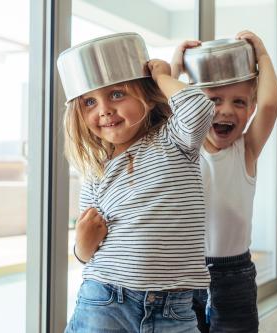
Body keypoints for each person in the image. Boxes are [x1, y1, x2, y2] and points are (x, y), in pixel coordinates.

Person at [59, 34, 215, 333]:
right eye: (90, 101)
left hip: (175, 306)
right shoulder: (96, 170)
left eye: (117, 94)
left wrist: (161, 76)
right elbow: (87, 250)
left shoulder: (174, 140)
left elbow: (197, 107)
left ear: (147, 94)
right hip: (105, 298)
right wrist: (81, 244)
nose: (103, 109)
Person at [171, 30, 277, 333]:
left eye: (240, 102)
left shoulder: (245, 150)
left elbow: (270, 105)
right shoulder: (182, 148)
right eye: (214, 100)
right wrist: (175, 68)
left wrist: (263, 55)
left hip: (234, 275)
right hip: (184, 274)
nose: (227, 110)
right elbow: (164, 107)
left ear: (251, 108)